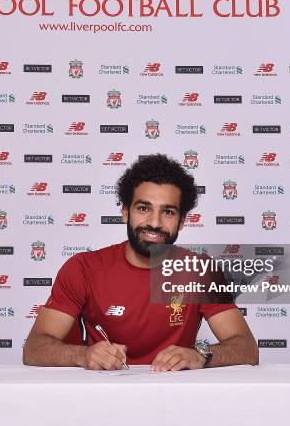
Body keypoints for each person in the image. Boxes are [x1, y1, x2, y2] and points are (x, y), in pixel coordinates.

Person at [23, 154, 258, 371]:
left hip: (177, 398)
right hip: (100, 396)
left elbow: (247, 348)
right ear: (125, 212)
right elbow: (34, 348)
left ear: (183, 220)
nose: (154, 223)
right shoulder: (83, 268)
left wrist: (201, 355)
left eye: (168, 212)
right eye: (144, 208)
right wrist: (82, 356)